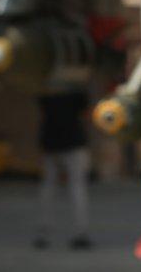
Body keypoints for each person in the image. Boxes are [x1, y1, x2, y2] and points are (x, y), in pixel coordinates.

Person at [33, 88, 92, 250]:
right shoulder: (75, 85)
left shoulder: (46, 85)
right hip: (73, 141)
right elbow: (85, 113)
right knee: (76, 187)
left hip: (51, 141)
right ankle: (80, 232)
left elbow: (42, 112)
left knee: (48, 187)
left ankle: (43, 233)